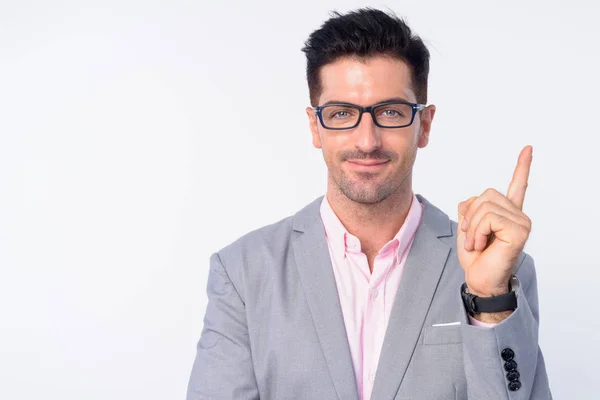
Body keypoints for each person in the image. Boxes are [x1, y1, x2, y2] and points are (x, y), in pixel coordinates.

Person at [186, 8, 551, 400]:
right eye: (342, 113)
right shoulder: (243, 271)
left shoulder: (498, 271)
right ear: (316, 127)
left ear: (423, 125)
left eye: (390, 112)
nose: (367, 140)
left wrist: (488, 300)